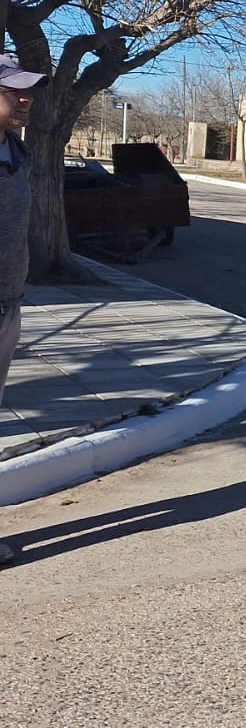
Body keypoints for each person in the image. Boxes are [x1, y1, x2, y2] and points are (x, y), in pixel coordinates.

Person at [0, 53, 47, 568]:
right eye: (14, 91)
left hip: (8, 305)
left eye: (28, 90)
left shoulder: (19, 152)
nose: (25, 98)